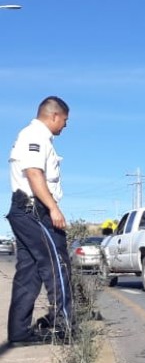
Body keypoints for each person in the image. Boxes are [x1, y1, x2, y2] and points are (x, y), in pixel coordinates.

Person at [6, 96, 73, 346]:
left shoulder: (35, 136)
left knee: (29, 272)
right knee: (57, 265)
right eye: (65, 120)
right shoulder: (35, 136)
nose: (65, 126)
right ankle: (65, 327)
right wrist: (54, 209)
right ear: (54, 116)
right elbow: (34, 173)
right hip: (35, 211)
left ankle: (19, 333)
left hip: (24, 210)